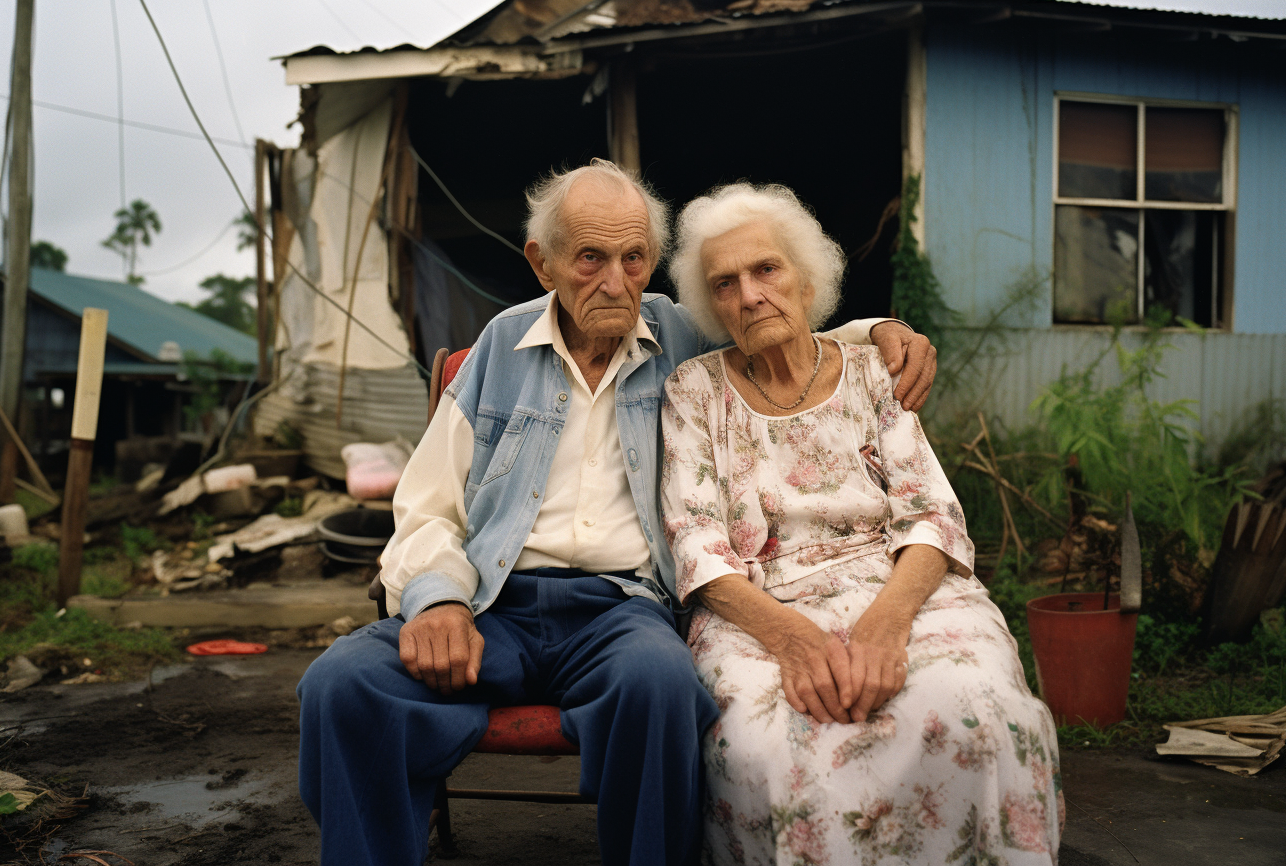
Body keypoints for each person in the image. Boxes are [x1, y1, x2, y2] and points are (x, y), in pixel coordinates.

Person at [296, 160, 939, 866]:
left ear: (652, 262)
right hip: (489, 607)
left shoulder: (682, 338)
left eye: (634, 258)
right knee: (342, 684)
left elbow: (776, 327)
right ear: (543, 264)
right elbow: (425, 504)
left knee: (660, 684)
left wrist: (881, 329)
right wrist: (439, 600)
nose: (615, 281)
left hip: (620, 610)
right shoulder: (498, 350)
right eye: (590, 259)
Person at [660, 182, 1062, 866]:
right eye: (724, 284)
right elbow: (696, 545)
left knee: (981, 707)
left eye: (766, 269)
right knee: (765, 740)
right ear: (711, 305)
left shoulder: (876, 371)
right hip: (760, 609)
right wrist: (794, 639)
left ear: (806, 278)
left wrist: (884, 625)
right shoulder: (693, 390)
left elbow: (929, 511)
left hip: (901, 587)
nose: (750, 294)